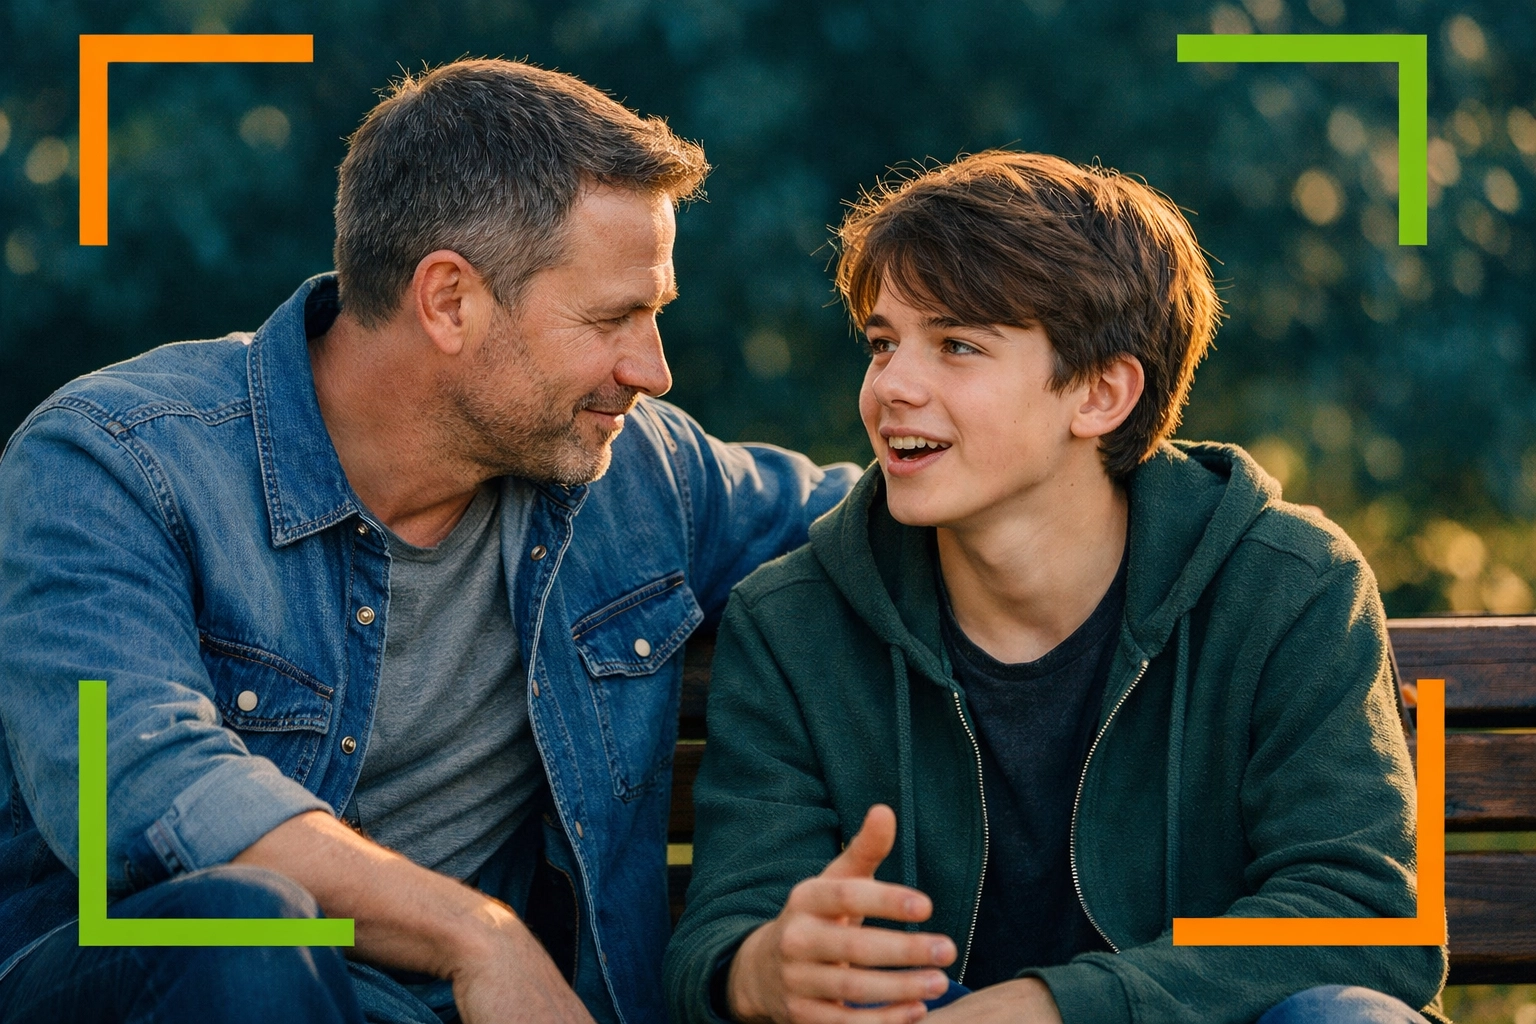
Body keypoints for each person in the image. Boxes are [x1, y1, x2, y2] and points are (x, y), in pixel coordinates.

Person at [0, 59, 857, 1024]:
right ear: (448, 300)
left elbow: (884, 514)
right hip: (172, 983)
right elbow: (142, 787)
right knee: (240, 930)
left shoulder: (636, 473)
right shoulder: (113, 463)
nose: (650, 369)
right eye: (615, 317)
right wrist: (474, 935)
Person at [664, 151, 1448, 1024]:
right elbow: (724, 936)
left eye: (957, 345)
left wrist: (1049, 1008)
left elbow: (1367, 918)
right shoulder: (792, 623)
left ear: (1102, 393)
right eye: (884, 344)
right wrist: (766, 968)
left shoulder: (1290, 586)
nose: (892, 386)